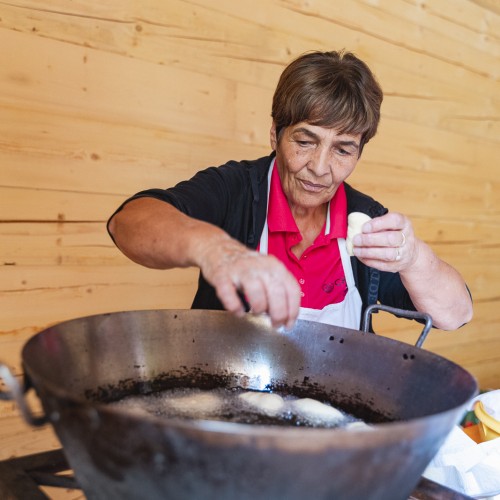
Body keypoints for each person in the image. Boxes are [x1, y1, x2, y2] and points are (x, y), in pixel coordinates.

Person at [107, 50, 473, 332]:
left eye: (343, 150)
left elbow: (456, 315)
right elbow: (126, 223)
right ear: (275, 134)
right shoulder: (236, 189)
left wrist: (413, 258)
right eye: (305, 141)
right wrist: (212, 248)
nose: (320, 167)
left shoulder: (365, 221)